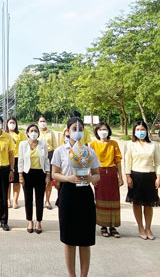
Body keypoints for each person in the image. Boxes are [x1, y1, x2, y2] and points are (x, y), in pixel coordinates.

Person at [52, 117, 100, 277]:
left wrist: (90, 179)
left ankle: (84, 275)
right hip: (68, 193)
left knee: (85, 239)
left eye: (80, 129)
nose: (77, 132)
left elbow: (97, 175)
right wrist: (68, 179)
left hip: (85, 194)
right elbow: (54, 174)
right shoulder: (60, 151)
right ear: (67, 131)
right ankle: (71, 274)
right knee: (69, 239)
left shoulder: (89, 151)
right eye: (74, 128)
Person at [124, 120, 160, 240]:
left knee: (148, 203)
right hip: (135, 176)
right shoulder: (130, 144)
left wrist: (159, 177)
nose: (140, 132)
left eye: (142, 129)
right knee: (136, 203)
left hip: (149, 176)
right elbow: (127, 161)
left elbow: (158, 162)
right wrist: (128, 176)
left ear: (146, 131)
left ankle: (148, 227)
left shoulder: (153, 145)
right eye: (138, 130)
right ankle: (140, 227)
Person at [90, 122, 123, 238]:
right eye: (100, 129)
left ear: (109, 131)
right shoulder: (93, 144)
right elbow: (90, 162)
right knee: (100, 198)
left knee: (113, 198)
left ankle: (113, 226)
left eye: (105, 129)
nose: (103, 131)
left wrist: (121, 176)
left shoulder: (114, 144)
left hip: (112, 173)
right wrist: (92, 177)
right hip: (99, 173)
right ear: (97, 132)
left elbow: (118, 160)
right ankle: (103, 225)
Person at [18, 124, 50, 234]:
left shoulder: (43, 144)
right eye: (31, 131)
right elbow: (21, 160)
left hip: (40, 174)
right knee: (28, 199)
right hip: (27, 173)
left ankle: (39, 221)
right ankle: (30, 221)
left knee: (39, 199)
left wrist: (47, 175)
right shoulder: (23, 144)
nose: (33, 133)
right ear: (27, 133)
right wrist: (20, 175)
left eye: (35, 131)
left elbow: (46, 160)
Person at [0, 115, 15, 231]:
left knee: (4, 196)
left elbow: (11, 155)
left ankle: (4, 221)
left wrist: (11, 170)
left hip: (4, 169)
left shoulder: (8, 137)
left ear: (2, 123)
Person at [37, 115, 57, 210]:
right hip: (38, 156)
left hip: (50, 155)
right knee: (40, 179)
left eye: (44, 121)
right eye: (41, 121)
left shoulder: (51, 132)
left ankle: (47, 200)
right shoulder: (35, 132)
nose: (42, 123)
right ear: (38, 122)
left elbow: (55, 146)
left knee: (48, 180)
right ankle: (39, 200)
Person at [7, 117, 25, 209]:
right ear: (7, 123)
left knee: (16, 181)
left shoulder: (20, 134)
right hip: (7, 159)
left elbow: (23, 146)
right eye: (10, 122)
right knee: (8, 181)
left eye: (13, 122)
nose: (12, 124)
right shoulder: (4, 134)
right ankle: (8, 199)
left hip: (18, 158)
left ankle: (15, 200)